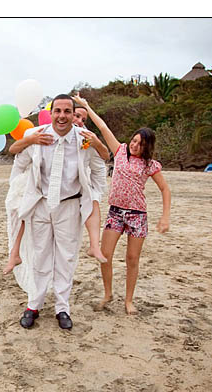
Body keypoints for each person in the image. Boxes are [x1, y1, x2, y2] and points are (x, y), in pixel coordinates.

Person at [7, 94, 107, 330]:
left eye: (67, 111)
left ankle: (62, 307)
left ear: (74, 114)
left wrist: (95, 195)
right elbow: (18, 160)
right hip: (41, 204)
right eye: (57, 111)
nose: (62, 116)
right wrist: (20, 192)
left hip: (70, 206)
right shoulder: (38, 134)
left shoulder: (84, 138)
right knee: (40, 254)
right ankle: (34, 304)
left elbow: (100, 164)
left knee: (66, 256)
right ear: (51, 113)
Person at [72, 93, 171, 315]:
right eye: (134, 140)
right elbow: (103, 126)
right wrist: (86, 105)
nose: (135, 145)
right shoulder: (120, 152)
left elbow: (165, 189)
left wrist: (165, 217)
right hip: (115, 213)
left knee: (132, 259)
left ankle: (129, 301)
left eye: (140, 144)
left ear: (147, 147)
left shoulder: (150, 165)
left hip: (137, 216)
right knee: (104, 254)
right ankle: (108, 293)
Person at [4, 103, 110, 275]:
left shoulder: (84, 137)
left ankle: (94, 245)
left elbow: (105, 156)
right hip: (34, 179)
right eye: (76, 115)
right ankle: (15, 253)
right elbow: (14, 150)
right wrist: (30, 140)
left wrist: (96, 143)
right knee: (23, 212)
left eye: (83, 119)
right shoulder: (41, 132)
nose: (79, 121)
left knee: (93, 202)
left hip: (68, 188)